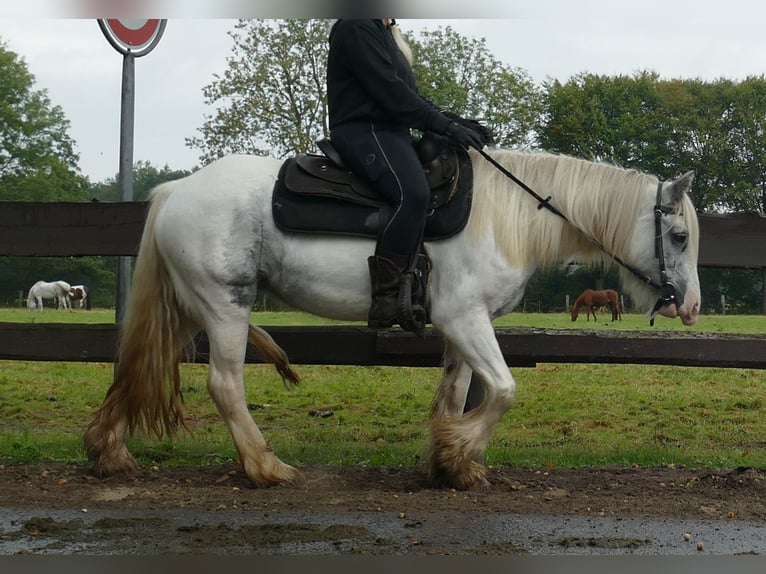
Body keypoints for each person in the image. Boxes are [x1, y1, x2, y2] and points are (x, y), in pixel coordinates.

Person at [326, 18, 489, 335]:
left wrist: (447, 120)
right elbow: (389, 91)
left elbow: (405, 93)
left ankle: (419, 282)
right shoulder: (354, 26)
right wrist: (440, 124)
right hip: (363, 131)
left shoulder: (381, 31)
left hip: (392, 133)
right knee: (413, 193)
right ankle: (387, 298)